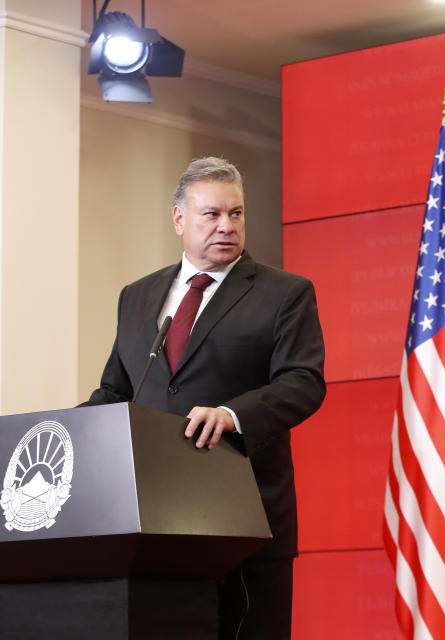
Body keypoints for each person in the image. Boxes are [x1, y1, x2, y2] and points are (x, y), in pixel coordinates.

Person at [83, 157, 326, 639]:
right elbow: (115, 390)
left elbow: (303, 381)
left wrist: (233, 415)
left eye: (235, 214)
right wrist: (69, 433)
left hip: (245, 515)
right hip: (154, 522)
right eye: (211, 214)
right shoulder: (138, 295)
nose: (226, 226)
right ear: (179, 219)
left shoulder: (285, 293)